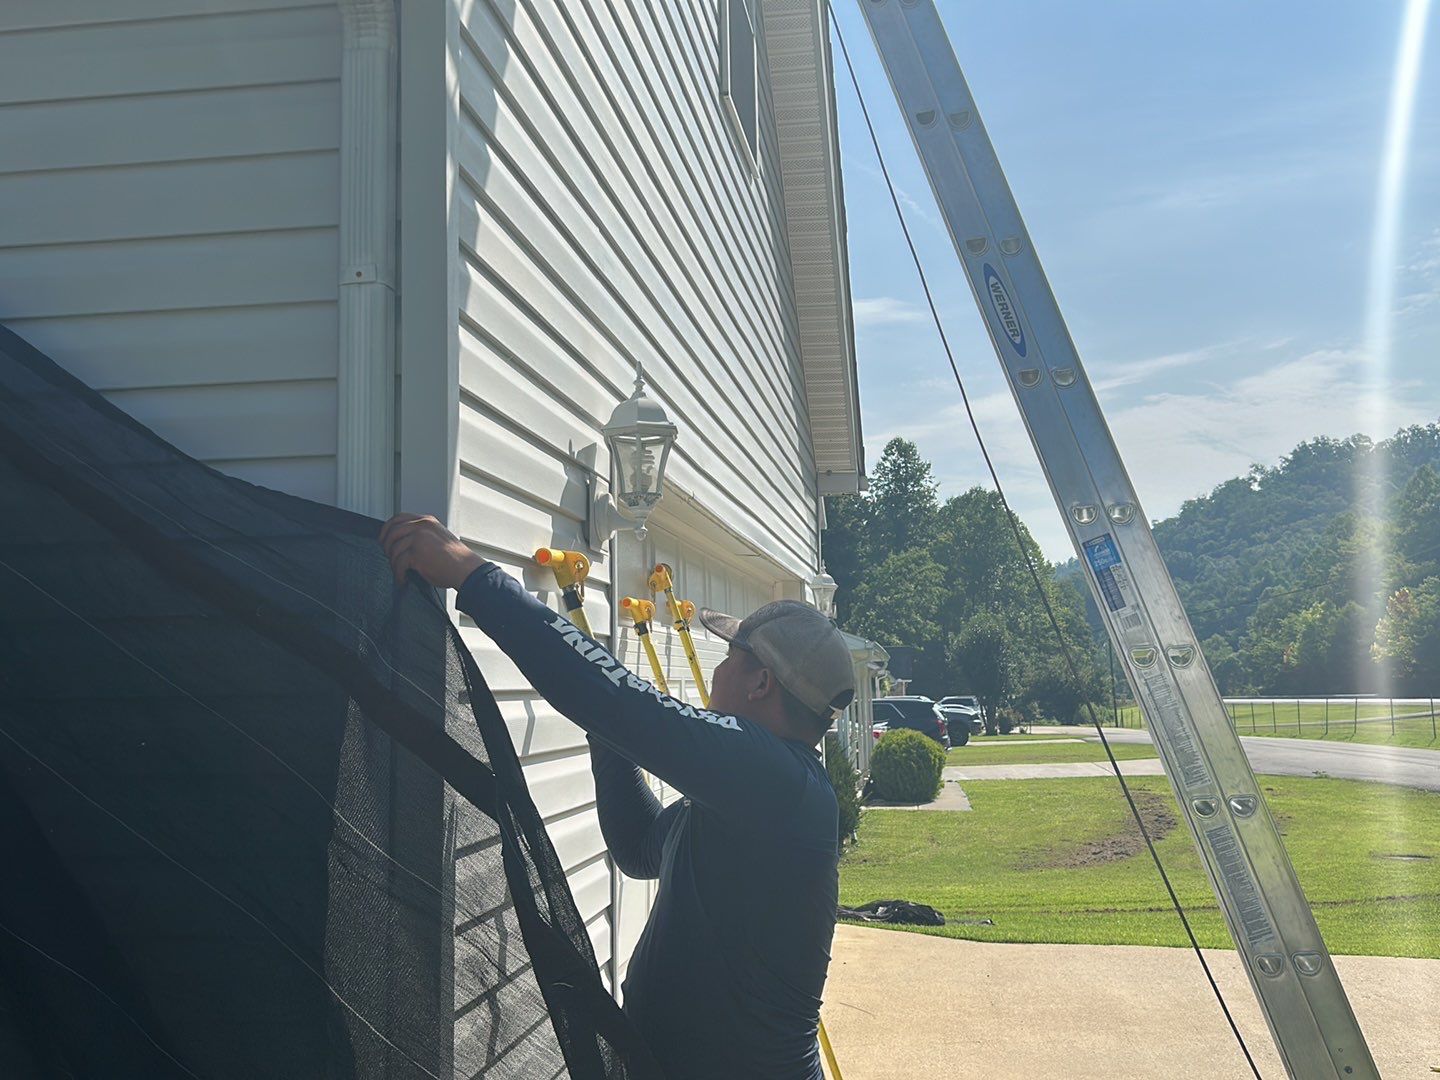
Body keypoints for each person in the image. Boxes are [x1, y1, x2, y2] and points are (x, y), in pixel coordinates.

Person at [379, 514, 855, 1080]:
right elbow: (639, 846)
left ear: (760, 684)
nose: (718, 669)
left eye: (730, 658)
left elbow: (620, 702)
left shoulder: (777, 780)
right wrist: (610, 737)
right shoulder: (754, 800)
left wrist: (471, 573)